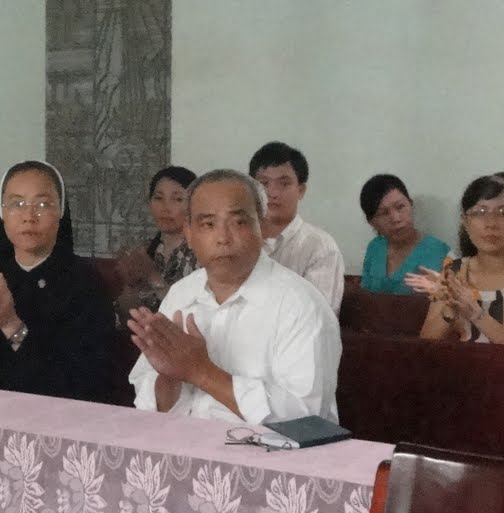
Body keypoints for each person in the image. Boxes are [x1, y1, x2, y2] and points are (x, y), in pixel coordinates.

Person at [128, 169, 341, 424]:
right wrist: (170, 376)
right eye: (208, 224)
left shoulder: (302, 305)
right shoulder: (181, 294)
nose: (223, 238)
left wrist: (202, 372)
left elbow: (307, 419)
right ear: (189, 233)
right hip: (184, 443)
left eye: (238, 222)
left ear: (262, 227)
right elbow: (148, 403)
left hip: (269, 450)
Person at [0, 161, 117, 402]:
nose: (29, 217)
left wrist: (12, 326)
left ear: (60, 212)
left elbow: (82, 383)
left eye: (43, 204)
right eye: (17, 204)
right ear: (2, 213)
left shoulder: (86, 284)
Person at [416, 175, 504, 346]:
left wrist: (477, 314)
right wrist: (449, 311)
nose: (491, 223)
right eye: (480, 212)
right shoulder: (454, 271)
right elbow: (426, 344)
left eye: (503, 213)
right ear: (465, 221)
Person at [248, 141, 345, 313]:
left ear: (301, 190)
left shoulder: (320, 247)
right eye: (263, 183)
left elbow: (316, 316)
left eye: (284, 184)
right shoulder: (240, 240)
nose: (272, 193)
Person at [113, 165, 198, 318]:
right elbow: (126, 317)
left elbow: (192, 315)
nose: (166, 208)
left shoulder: (202, 253)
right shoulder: (144, 251)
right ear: (149, 203)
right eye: (158, 198)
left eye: (178, 199)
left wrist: (152, 276)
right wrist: (131, 283)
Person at [356, 174, 449, 295]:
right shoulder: (375, 247)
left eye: (400, 207)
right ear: (372, 222)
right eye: (384, 213)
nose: (396, 219)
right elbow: (365, 295)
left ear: (411, 204)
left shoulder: (439, 252)